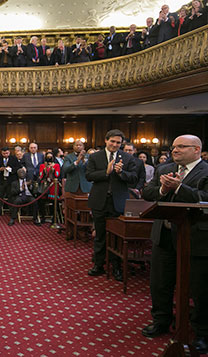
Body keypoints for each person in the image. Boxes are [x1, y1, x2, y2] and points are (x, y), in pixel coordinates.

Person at [141, 135, 208, 354]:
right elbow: (148, 192)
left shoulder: (205, 171)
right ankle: (161, 320)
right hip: (164, 235)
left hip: (195, 238)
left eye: (181, 147)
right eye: (174, 147)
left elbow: (204, 199)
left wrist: (179, 189)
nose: (175, 150)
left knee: (199, 288)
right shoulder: (164, 169)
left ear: (196, 149)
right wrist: (162, 190)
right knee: (160, 282)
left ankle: (202, 332)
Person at [85, 129, 138, 282]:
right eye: (112, 141)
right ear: (106, 140)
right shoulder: (95, 156)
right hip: (99, 200)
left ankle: (116, 267)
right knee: (100, 234)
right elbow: (89, 176)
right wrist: (106, 172)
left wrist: (121, 173)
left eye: (118, 143)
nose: (115, 145)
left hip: (118, 202)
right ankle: (99, 265)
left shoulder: (127, 158)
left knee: (116, 237)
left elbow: (134, 178)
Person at [0, 147, 15, 216]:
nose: (5, 155)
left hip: (10, 180)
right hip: (1, 180)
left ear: (9, 152)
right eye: (4, 153)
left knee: (10, 196)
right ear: (1, 153)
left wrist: (11, 169)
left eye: (6, 153)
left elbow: (17, 168)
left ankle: (12, 211)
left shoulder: (13, 159)